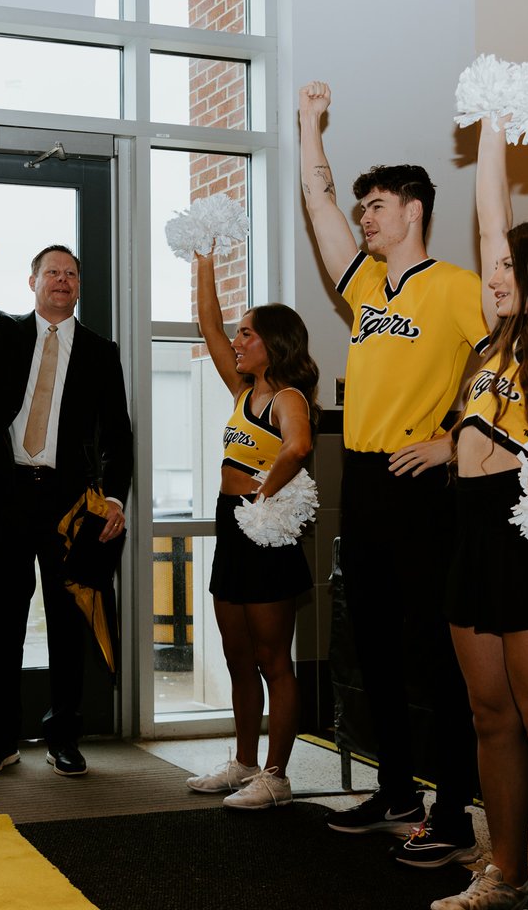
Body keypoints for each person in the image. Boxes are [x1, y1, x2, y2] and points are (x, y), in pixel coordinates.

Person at [299, 81, 487, 854]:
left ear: (414, 211)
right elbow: (319, 208)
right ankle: (396, 790)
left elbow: (507, 366)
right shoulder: (369, 285)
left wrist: (453, 437)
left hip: (422, 484)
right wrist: (310, 126)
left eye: (377, 205)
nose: (365, 217)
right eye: (364, 206)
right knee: (369, 640)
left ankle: (452, 814)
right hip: (366, 481)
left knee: (436, 654)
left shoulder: (457, 289)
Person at [426, 114, 528, 910]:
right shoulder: (491, 344)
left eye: (511, 265)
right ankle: (505, 872)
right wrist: (495, 128)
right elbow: (488, 213)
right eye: (495, 264)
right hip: (471, 532)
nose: (495, 273)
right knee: (490, 716)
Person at [0, 234, 133, 778]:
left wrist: (115, 496)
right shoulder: (7, 333)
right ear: (33, 282)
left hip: (71, 504)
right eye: (52, 272)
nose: (62, 281)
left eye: (71, 274)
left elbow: (118, 432)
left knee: (69, 621)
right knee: (4, 617)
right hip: (7, 495)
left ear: (77, 288)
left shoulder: (100, 352)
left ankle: (64, 736)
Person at [184, 250, 318, 809]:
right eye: (238, 336)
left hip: (267, 532)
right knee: (238, 655)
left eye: (247, 335)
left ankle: (277, 774)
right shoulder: (243, 393)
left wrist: (264, 492)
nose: (235, 342)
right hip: (232, 527)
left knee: (273, 660)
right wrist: (205, 261)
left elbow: (300, 446)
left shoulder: (287, 397)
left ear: (273, 343)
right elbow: (208, 326)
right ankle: (242, 762)